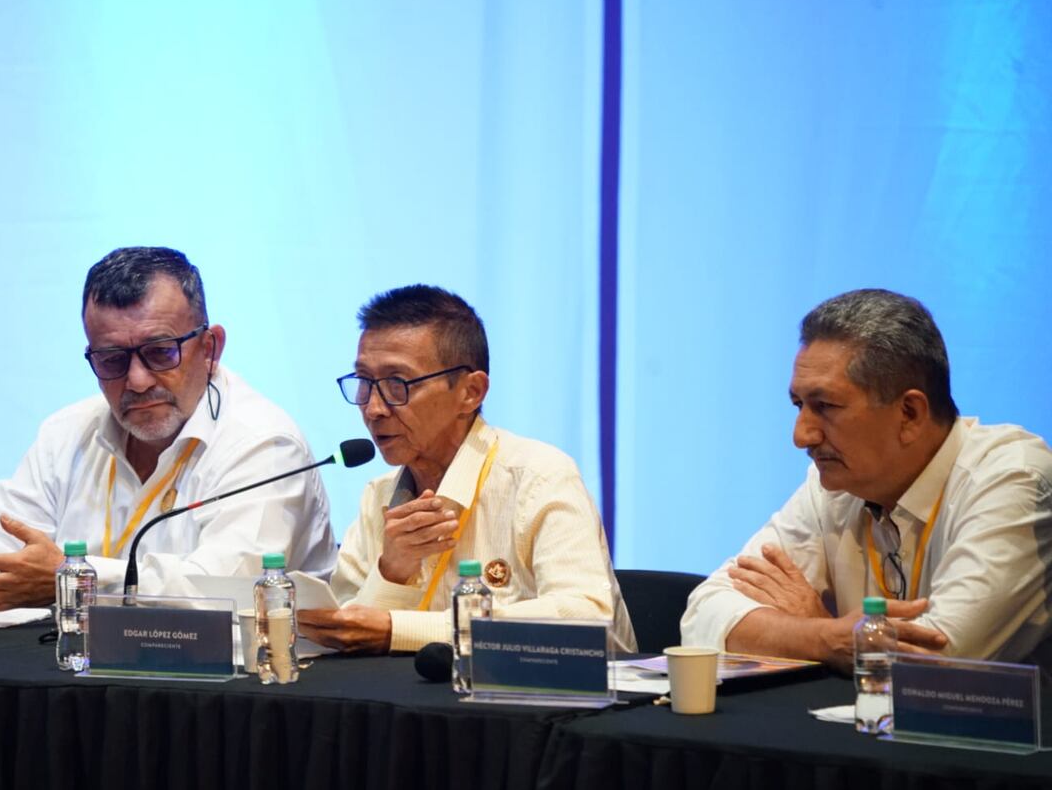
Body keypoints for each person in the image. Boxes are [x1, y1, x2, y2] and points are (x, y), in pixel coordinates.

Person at [0, 247, 335, 611]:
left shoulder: (264, 443)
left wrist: (70, 581)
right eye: (112, 359)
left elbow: (225, 595)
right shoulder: (66, 432)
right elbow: (11, 547)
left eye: (159, 353)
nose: (137, 381)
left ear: (209, 349)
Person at [682, 288, 1052, 669]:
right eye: (798, 405)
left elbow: (932, 661)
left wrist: (811, 628)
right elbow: (704, 615)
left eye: (825, 406)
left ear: (909, 413)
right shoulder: (835, 485)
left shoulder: (1013, 478)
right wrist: (826, 637)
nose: (801, 436)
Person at [298, 285, 634, 654]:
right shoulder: (378, 496)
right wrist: (392, 570)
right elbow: (349, 634)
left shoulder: (538, 476)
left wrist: (402, 629)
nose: (374, 408)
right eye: (364, 382)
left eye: (397, 384)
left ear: (471, 392)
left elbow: (585, 617)